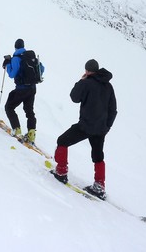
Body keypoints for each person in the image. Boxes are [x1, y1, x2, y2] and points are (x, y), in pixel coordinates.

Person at [52, 59, 117, 200]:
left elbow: (74, 97)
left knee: (62, 141)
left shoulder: (87, 83)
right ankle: (99, 186)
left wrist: (81, 81)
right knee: (98, 155)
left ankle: (61, 172)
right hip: (100, 128)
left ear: (87, 70)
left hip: (86, 126)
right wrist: (107, 126)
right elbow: (113, 109)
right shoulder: (108, 86)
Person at [2, 38, 45, 144]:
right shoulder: (31, 57)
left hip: (22, 89)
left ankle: (16, 129)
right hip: (32, 88)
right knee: (29, 110)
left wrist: (7, 64)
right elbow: (42, 69)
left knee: (9, 107)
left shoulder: (16, 58)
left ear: (15, 47)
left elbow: (12, 74)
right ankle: (31, 134)